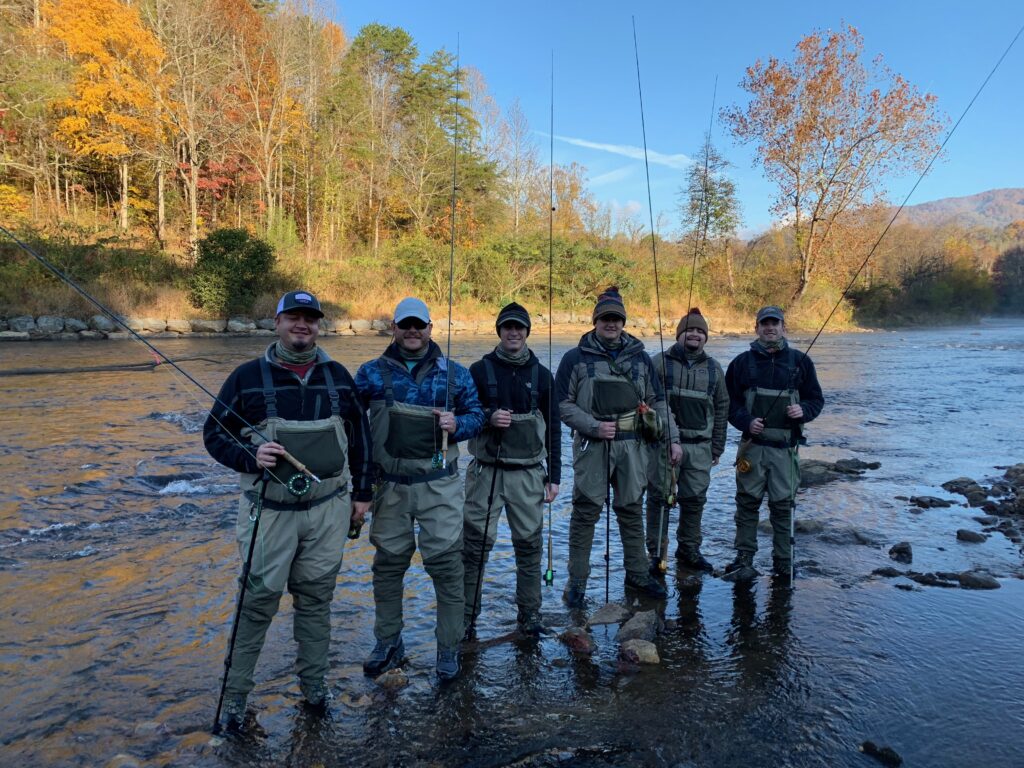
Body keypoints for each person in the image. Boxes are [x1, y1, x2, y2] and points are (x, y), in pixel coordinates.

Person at [203, 290, 373, 729]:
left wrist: (363, 494)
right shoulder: (246, 377)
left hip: (328, 511)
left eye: (311, 319)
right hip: (270, 513)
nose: (303, 325)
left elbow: (361, 439)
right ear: (276, 322)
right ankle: (236, 698)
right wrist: (248, 457)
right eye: (294, 318)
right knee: (257, 602)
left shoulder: (338, 376)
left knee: (317, 601)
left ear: (319, 325)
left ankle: (314, 690)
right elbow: (214, 435)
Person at [354, 297, 484, 680]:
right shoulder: (370, 374)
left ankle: (448, 646)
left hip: (439, 485)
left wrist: (456, 425)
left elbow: (478, 415)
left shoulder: (456, 374)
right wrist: (357, 483)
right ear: (393, 327)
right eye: (405, 325)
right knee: (388, 566)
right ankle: (389, 642)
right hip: (388, 488)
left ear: (431, 328)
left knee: (447, 567)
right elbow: (350, 423)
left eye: (420, 325)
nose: (413, 331)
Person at [555, 286, 681, 607]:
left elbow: (659, 402)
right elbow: (561, 405)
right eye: (606, 318)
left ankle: (637, 574)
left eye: (617, 318)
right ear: (595, 320)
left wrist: (672, 439)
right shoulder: (574, 359)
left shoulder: (640, 360)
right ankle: (578, 582)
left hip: (632, 448)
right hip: (592, 447)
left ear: (623, 322)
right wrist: (594, 426)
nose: (611, 323)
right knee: (585, 513)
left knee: (630, 509)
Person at [462, 302, 561, 638]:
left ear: (527, 332)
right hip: (485, 472)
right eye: (507, 327)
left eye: (519, 327)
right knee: (475, 547)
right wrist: (488, 416)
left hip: (530, 474)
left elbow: (555, 430)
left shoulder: (543, 375)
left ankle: (530, 616)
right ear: (499, 332)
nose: (513, 332)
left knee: (529, 548)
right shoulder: (478, 370)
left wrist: (556, 476)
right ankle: (467, 618)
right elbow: (464, 415)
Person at [723, 305, 824, 580]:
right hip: (752, 449)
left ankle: (783, 561)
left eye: (775, 323)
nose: (770, 328)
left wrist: (803, 410)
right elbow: (728, 404)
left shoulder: (801, 362)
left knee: (782, 507)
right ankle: (744, 558)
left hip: (784, 450)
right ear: (757, 328)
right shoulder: (741, 363)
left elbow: (816, 400)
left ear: (783, 327)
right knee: (747, 505)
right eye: (764, 324)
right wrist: (746, 422)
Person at [645, 308, 729, 574]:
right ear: (679, 334)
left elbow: (722, 407)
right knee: (659, 500)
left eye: (699, 331)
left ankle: (689, 550)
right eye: (689, 330)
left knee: (694, 501)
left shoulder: (715, 369)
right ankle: (656, 554)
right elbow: (645, 401)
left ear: (705, 337)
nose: (694, 335)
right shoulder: (659, 362)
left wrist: (717, 447)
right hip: (662, 446)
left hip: (700, 447)